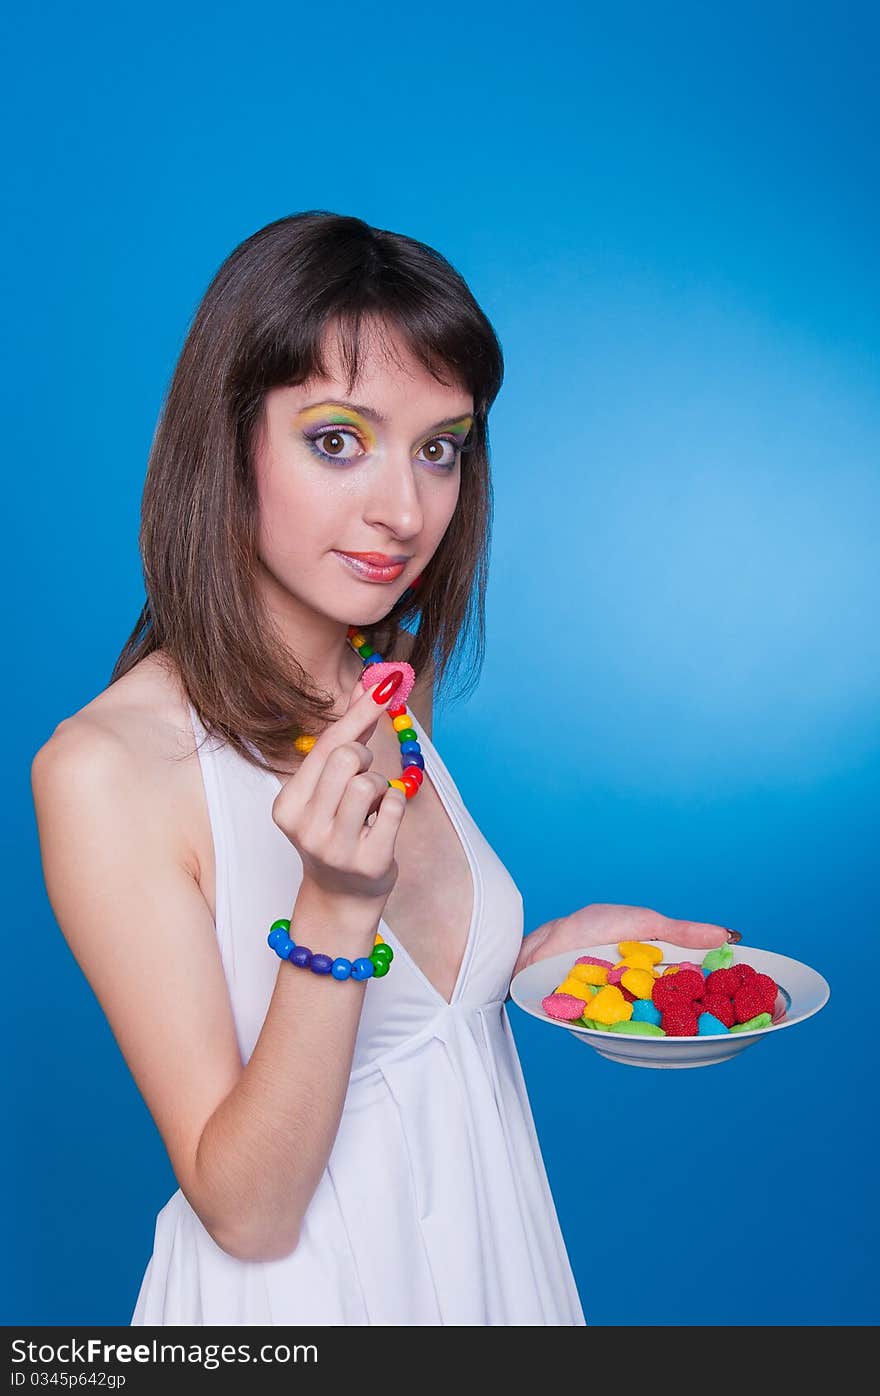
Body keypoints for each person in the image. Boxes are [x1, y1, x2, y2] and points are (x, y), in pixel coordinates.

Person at [30, 211, 738, 1326]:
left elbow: (411, 1041)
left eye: (438, 447)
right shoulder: (109, 767)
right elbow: (247, 1208)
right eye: (335, 439)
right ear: (229, 440)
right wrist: (333, 907)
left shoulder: (371, 684)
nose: (405, 511)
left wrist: (537, 958)